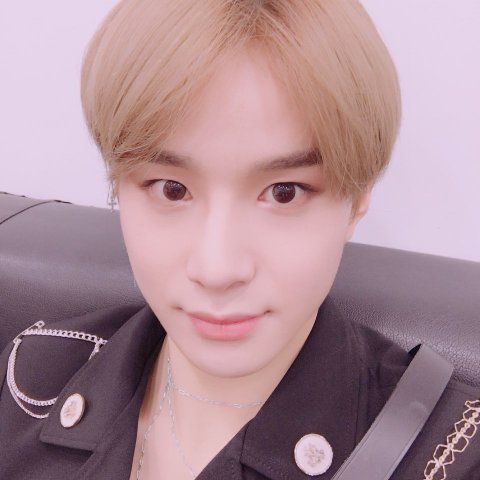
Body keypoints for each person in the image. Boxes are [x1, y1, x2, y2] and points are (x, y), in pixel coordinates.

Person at [1, 1, 479, 479]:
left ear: (357, 199)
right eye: (172, 189)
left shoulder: (453, 453)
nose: (218, 269)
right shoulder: (28, 379)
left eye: (284, 192)